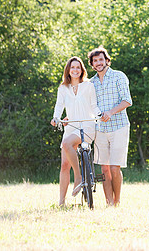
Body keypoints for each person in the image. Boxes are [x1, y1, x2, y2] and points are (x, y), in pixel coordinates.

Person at [50, 56, 101, 206]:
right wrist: (56, 118)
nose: (75, 70)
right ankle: (61, 202)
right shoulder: (63, 88)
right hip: (71, 126)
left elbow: (94, 106)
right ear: (68, 70)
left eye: (78, 67)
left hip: (87, 126)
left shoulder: (88, 86)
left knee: (66, 143)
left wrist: (100, 115)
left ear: (82, 70)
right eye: (72, 67)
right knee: (65, 165)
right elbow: (59, 106)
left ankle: (78, 177)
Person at [88, 46, 132, 206]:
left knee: (114, 168)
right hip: (100, 130)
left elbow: (127, 100)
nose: (98, 63)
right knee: (104, 169)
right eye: (95, 61)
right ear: (92, 65)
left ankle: (117, 201)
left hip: (119, 127)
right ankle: (109, 203)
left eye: (101, 59)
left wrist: (111, 112)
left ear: (107, 60)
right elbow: (87, 106)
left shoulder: (118, 76)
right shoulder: (91, 83)